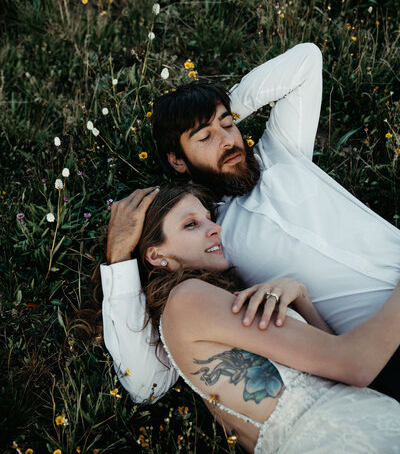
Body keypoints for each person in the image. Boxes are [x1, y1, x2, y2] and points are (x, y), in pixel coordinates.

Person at [102, 42, 400, 403]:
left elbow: (306, 60)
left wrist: (221, 108)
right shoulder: (214, 239)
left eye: (229, 126)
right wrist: (118, 259)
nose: (228, 140)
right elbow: (145, 380)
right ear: (178, 161)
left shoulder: (282, 151)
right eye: (205, 138)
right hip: (383, 344)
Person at [113, 181, 400, 454]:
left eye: (209, 218)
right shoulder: (187, 299)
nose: (215, 228)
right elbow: (356, 363)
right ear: (156, 254)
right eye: (191, 224)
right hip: (348, 436)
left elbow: (338, 372)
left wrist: (301, 297)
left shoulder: (210, 304)